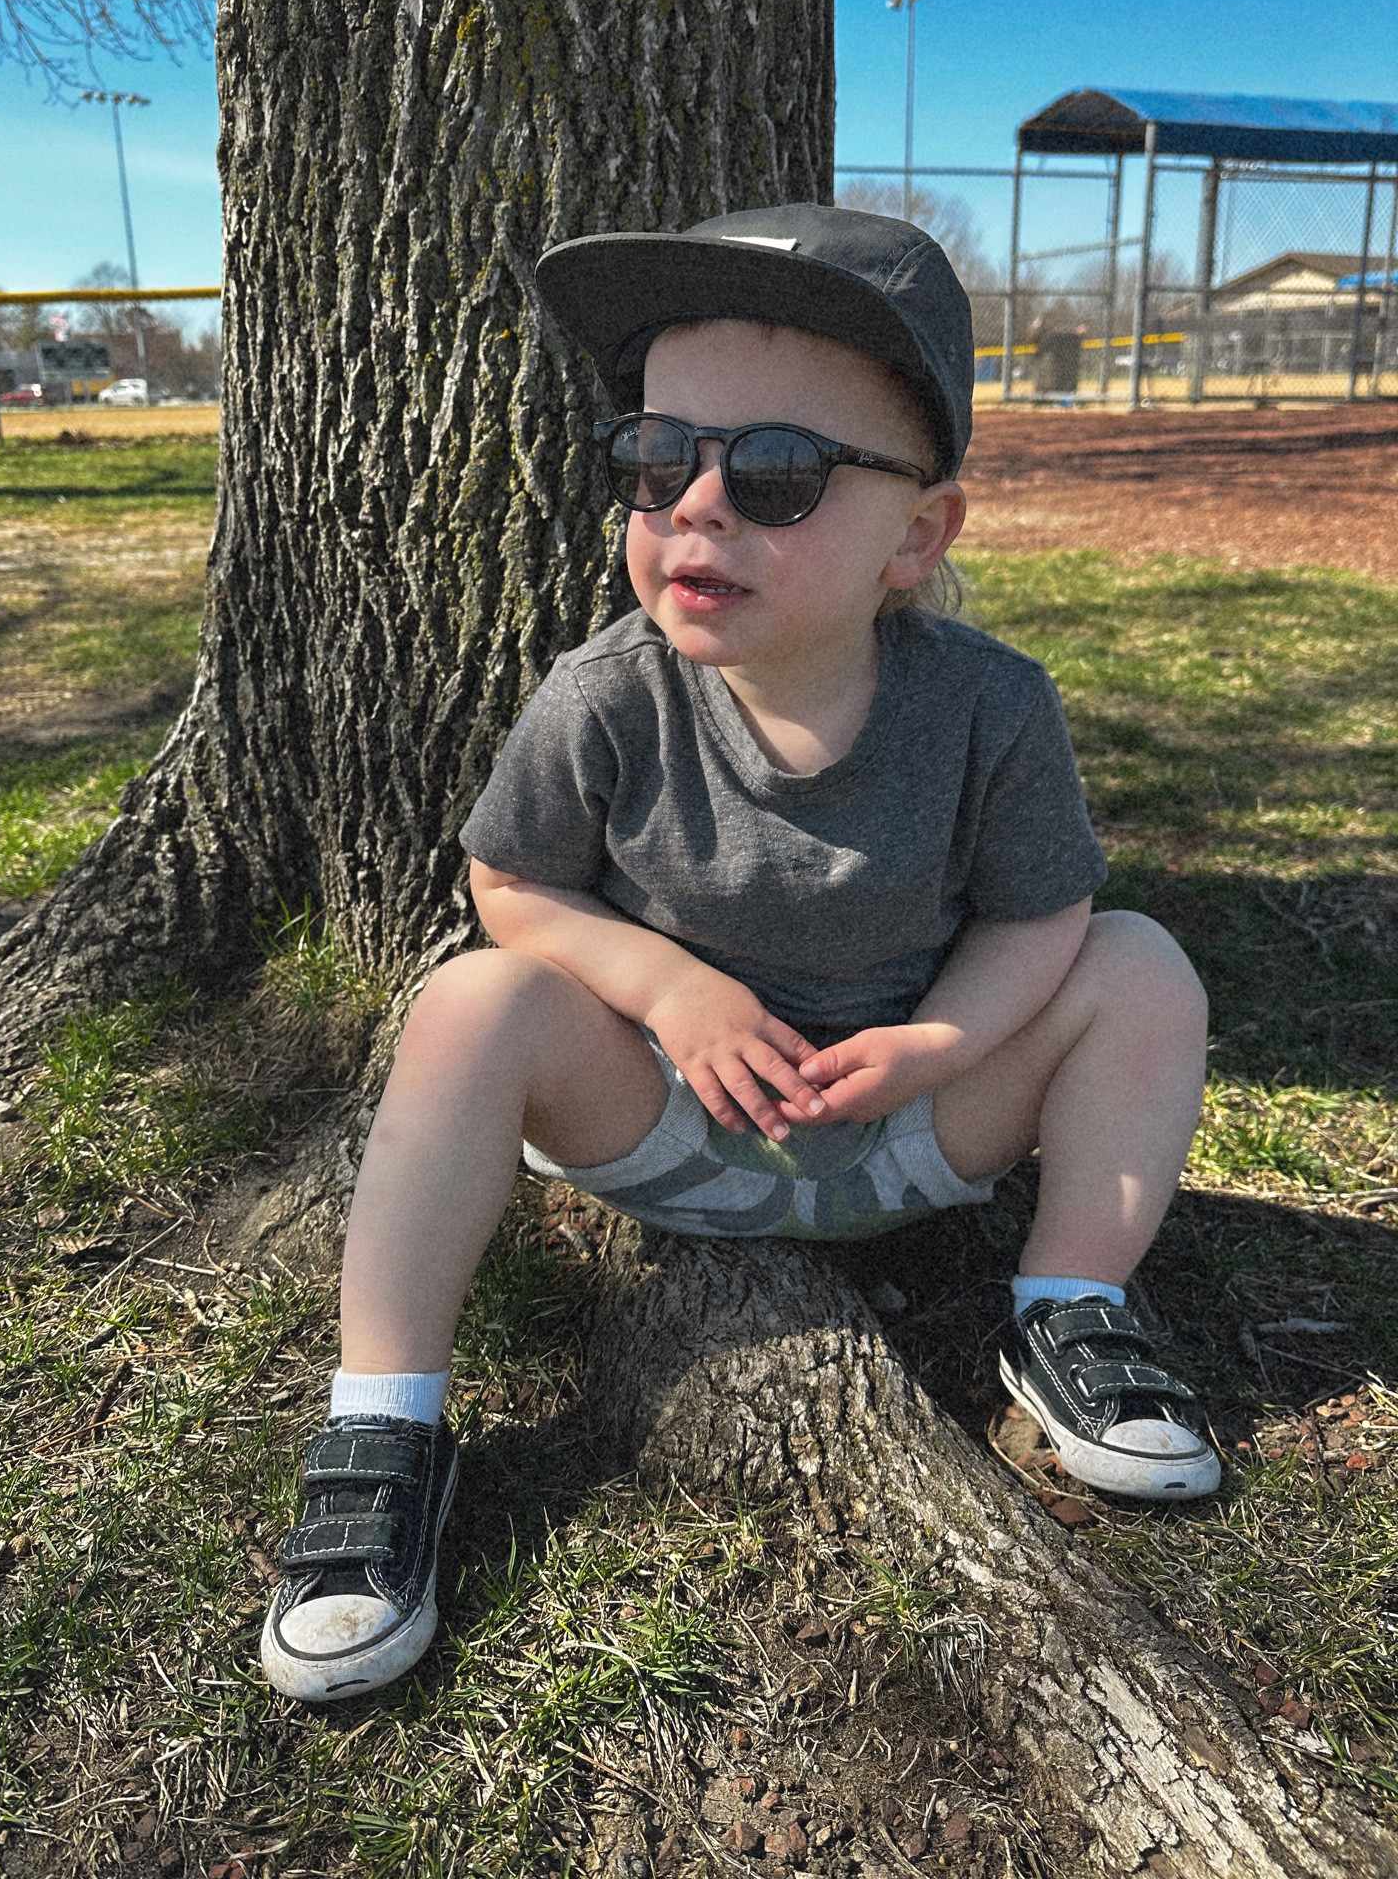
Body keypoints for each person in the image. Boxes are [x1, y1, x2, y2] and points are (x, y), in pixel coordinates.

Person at [259, 204, 1217, 1706]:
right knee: (469, 1000)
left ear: (919, 533)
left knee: (1141, 964)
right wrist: (669, 986)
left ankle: (1070, 1308)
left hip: (906, 1136)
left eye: (776, 474)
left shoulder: (991, 709)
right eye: (657, 460)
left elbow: (1041, 921)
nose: (698, 507)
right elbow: (509, 884)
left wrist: (946, 1049)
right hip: (663, 1124)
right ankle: (383, 1425)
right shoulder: (606, 696)